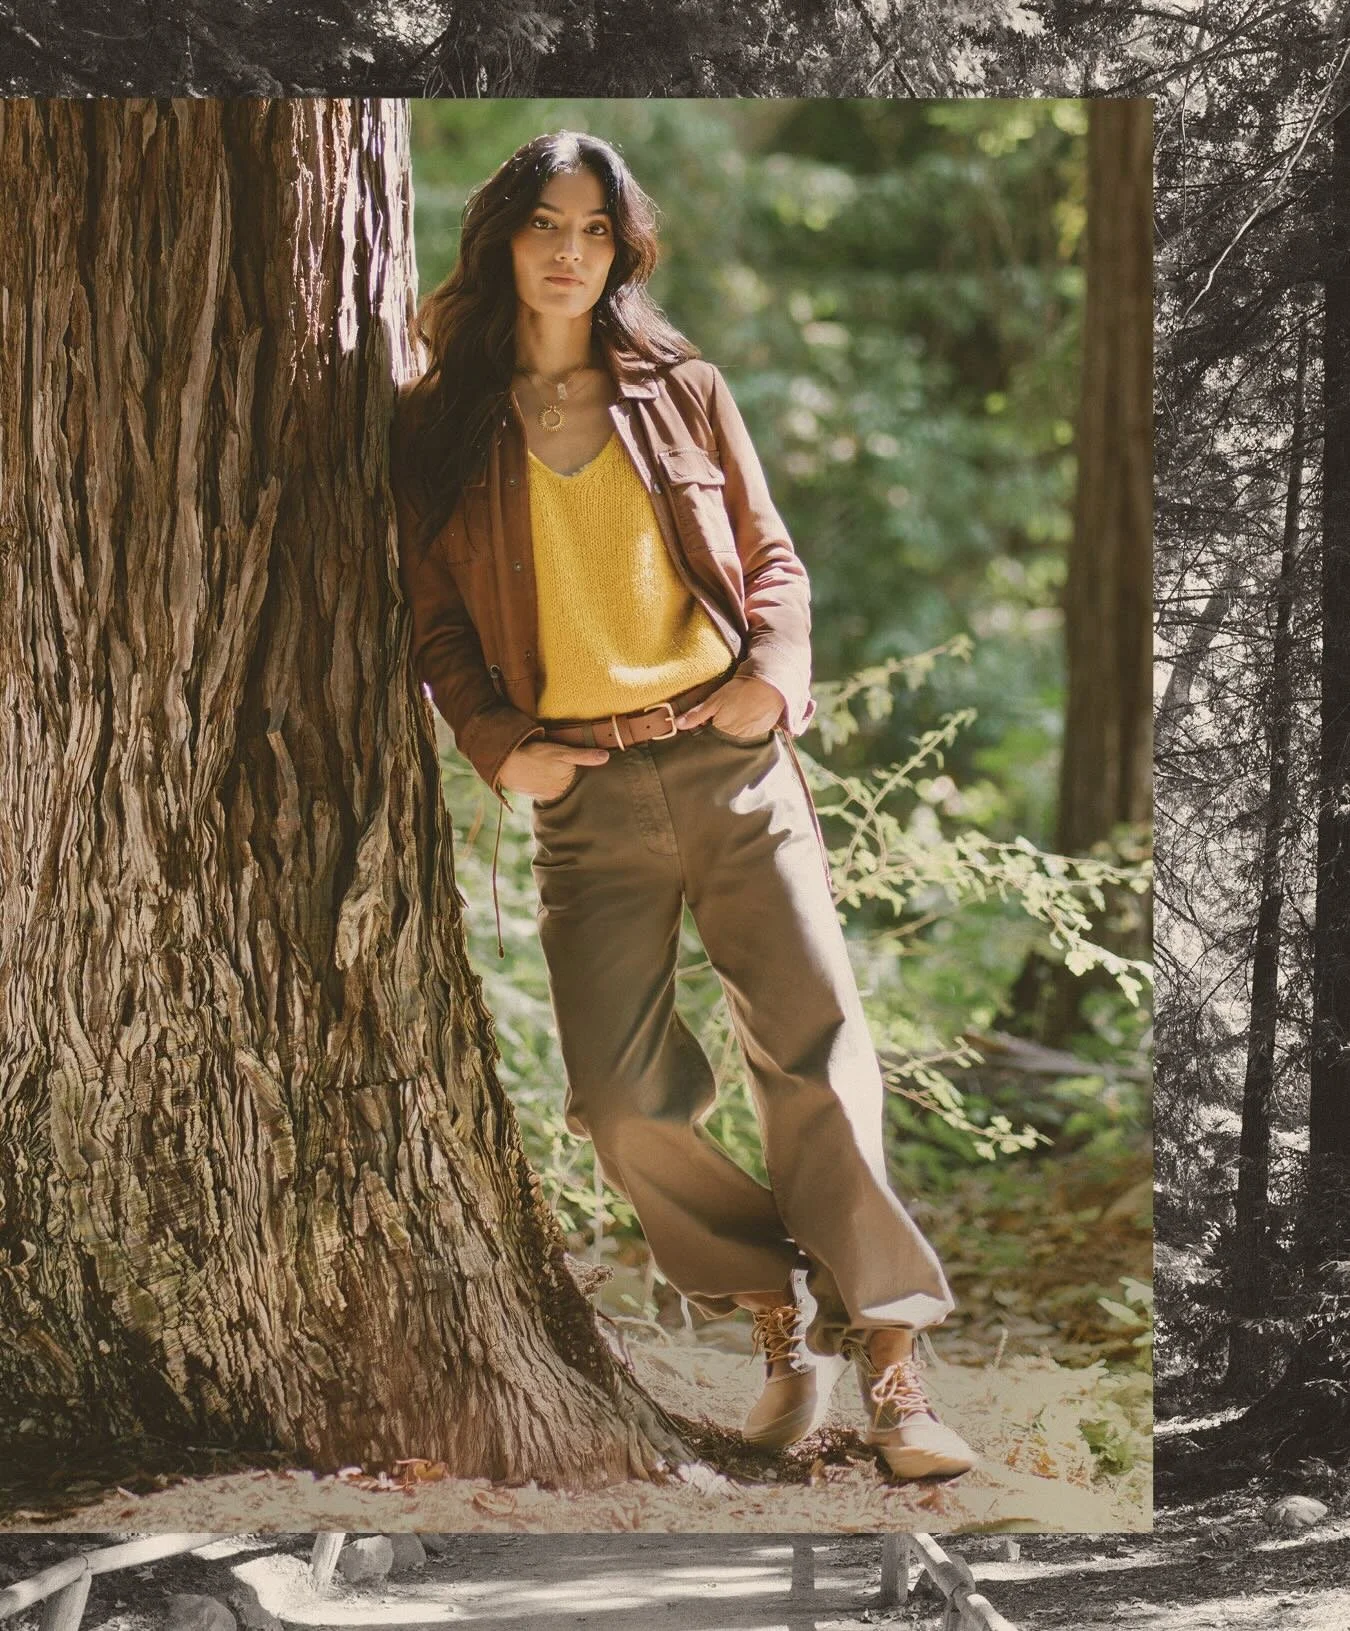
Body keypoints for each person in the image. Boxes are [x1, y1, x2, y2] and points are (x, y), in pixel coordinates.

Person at [392, 129, 976, 1480]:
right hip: (583, 793)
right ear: (501, 242)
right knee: (618, 1101)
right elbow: (433, 624)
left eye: (595, 230)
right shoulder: (437, 425)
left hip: (730, 763)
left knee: (818, 1060)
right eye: (546, 224)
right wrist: (494, 742)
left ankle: (892, 1367)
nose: (569, 251)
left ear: (621, 249)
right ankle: (777, 1312)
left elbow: (771, 557)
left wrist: (773, 676)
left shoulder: (680, 387)